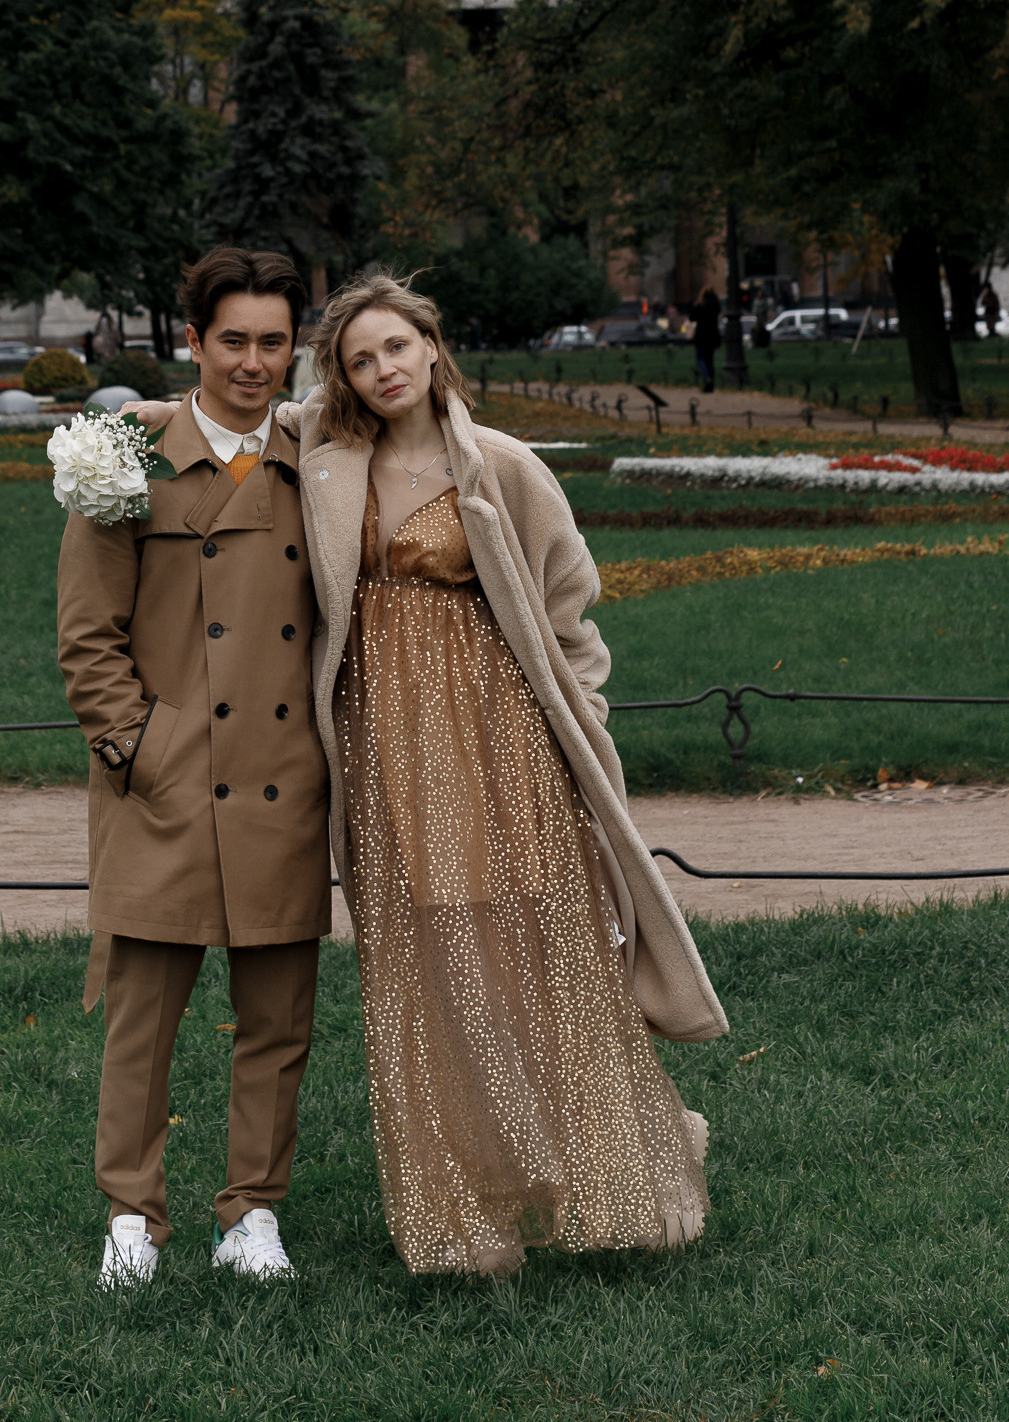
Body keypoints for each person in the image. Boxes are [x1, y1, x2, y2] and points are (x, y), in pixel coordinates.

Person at [295, 271, 725, 1277]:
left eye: (396, 346)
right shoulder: (328, 463)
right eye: (360, 359)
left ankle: (622, 1179)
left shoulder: (501, 464)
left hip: (500, 743)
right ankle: (463, 1210)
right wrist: (155, 412)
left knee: (542, 949)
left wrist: (583, 721)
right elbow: (253, 411)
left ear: (431, 347)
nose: (383, 368)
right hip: (384, 751)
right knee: (425, 967)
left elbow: (570, 606)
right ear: (342, 380)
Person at [56, 247, 329, 1290]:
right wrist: (135, 749)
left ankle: (252, 1212)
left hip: (284, 775)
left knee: (277, 1021)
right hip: (162, 782)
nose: (253, 363)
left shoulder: (321, 459)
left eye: (273, 342)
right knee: (142, 1021)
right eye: (233, 341)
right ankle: (131, 1214)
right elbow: (88, 635)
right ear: (193, 341)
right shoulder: (123, 458)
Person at [690, 285, 721, 390]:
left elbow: (692, 317)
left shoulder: (700, 306)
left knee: (701, 359)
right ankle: (710, 382)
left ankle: (707, 379)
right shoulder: (715, 306)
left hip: (701, 336)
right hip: (712, 335)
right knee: (710, 360)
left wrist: (695, 306)